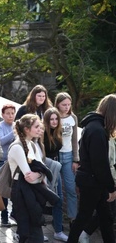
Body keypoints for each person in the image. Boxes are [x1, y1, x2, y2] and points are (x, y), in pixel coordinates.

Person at [67, 94, 116, 243]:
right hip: (93, 182)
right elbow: (100, 164)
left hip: (92, 181)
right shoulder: (98, 130)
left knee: (105, 218)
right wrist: (111, 188)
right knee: (84, 217)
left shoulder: (93, 126)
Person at [8, 114, 50, 242]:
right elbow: (29, 177)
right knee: (28, 233)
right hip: (21, 192)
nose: (40, 129)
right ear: (27, 129)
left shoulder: (31, 144)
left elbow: (41, 171)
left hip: (31, 191)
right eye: (36, 126)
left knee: (33, 231)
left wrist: (39, 174)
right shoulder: (17, 147)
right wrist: (40, 175)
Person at [42, 108, 68, 241]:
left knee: (58, 200)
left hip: (56, 168)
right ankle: (37, 231)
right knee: (40, 201)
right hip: (44, 168)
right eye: (51, 119)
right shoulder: (42, 134)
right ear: (46, 120)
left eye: (56, 119)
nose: (54, 121)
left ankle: (58, 230)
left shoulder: (58, 132)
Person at [54, 92, 79, 228]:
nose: (66, 107)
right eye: (64, 105)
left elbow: (75, 140)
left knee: (71, 188)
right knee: (56, 189)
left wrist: (76, 158)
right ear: (58, 104)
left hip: (69, 155)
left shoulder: (73, 117)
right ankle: (56, 220)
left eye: (69, 105)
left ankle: (72, 218)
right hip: (56, 155)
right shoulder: (54, 116)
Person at [0, 104, 16, 227]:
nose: (10, 115)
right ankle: (4, 216)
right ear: (2, 115)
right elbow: (0, 141)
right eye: (8, 113)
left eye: (12, 113)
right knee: (4, 188)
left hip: (14, 162)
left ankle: (15, 213)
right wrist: (13, 133)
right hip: (2, 161)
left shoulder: (16, 125)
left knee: (15, 188)